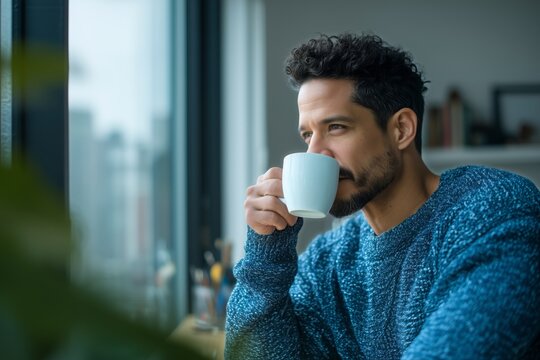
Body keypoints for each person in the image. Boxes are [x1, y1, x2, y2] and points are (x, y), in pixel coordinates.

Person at [224, 33, 540, 359]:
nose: (315, 153)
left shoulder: (494, 211)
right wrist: (266, 258)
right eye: (308, 134)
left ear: (401, 129)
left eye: (336, 127)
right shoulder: (329, 260)